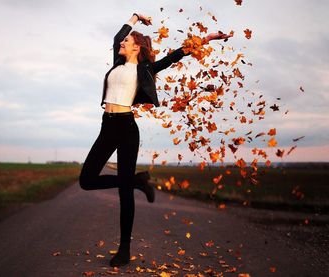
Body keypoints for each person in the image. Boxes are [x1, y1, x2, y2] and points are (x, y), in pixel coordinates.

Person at [79, 13, 232, 267]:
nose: (121, 43)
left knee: (124, 193)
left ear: (137, 46)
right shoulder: (117, 63)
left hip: (127, 128)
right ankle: (138, 181)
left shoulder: (146, 68)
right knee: (86, 180)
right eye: (122, 42)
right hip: (107, 127)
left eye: (126, 41)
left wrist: (208, 38)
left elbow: (177, 55)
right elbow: (117, 35)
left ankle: (124, 250)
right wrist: (135, 17)